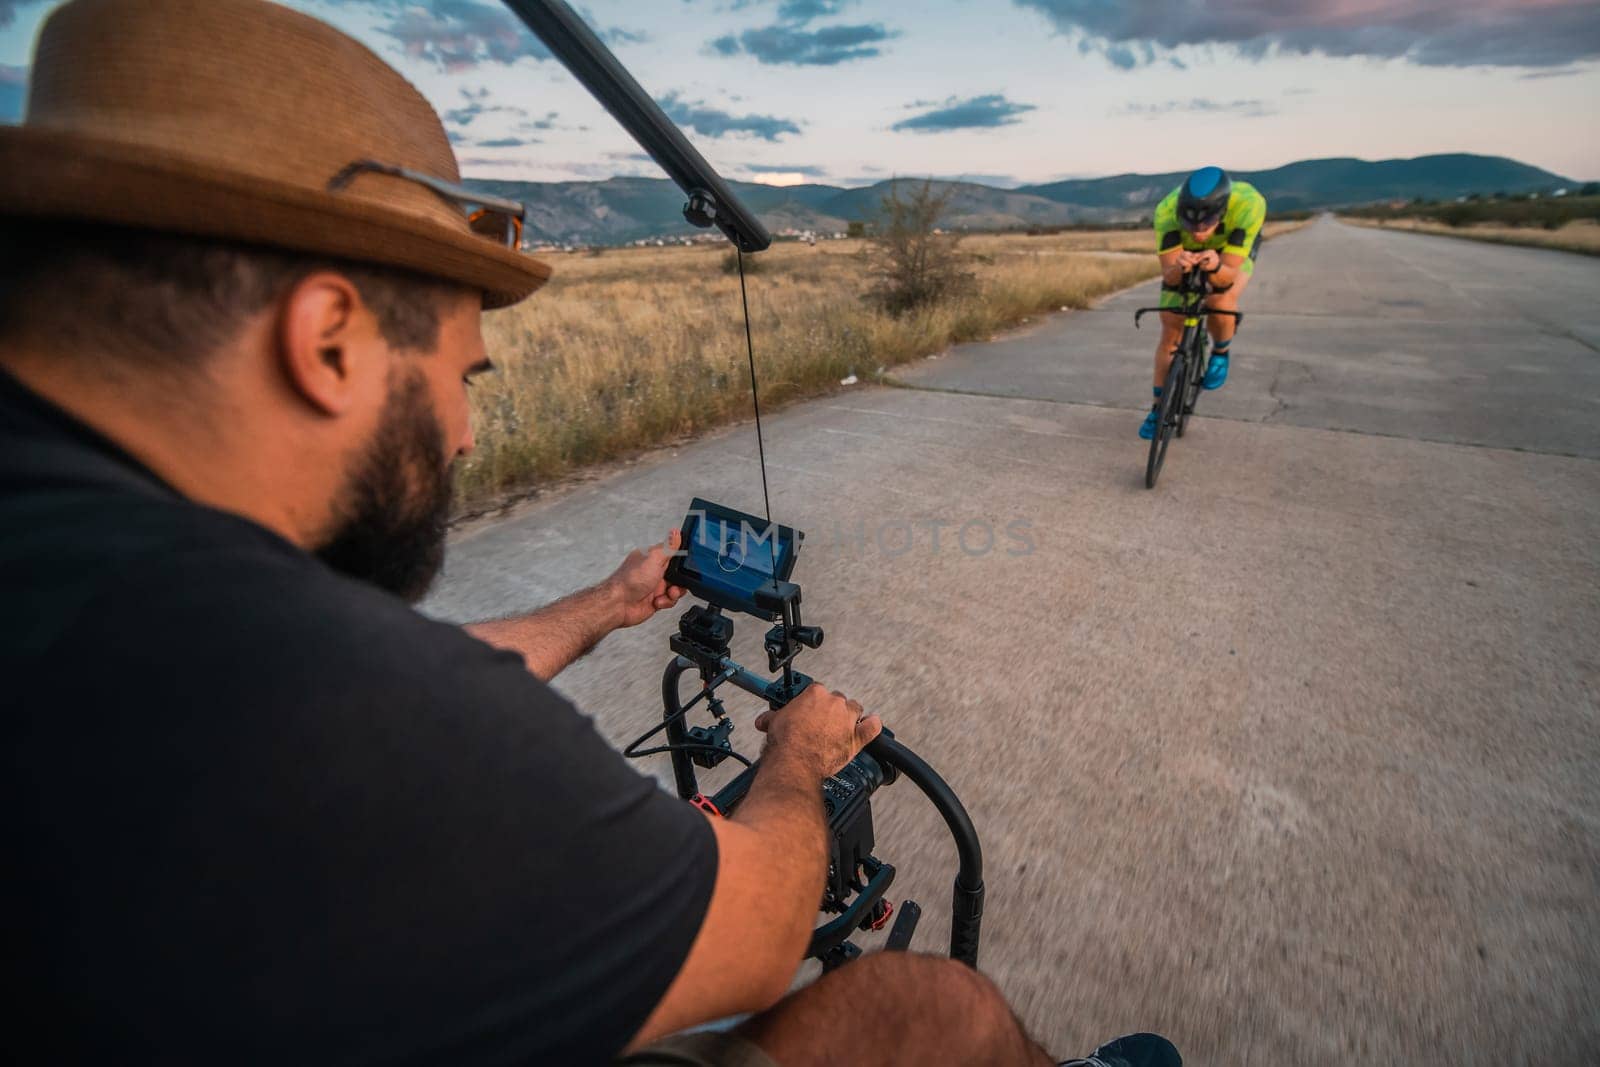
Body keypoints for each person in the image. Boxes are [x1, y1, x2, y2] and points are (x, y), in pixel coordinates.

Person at [0, 1, 1179, 1064]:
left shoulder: (99, 563)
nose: (462, 433)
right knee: (936, 1013)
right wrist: (798, 758)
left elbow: (389, 681)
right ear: (328, 341)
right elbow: (760, 930)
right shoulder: (335, 711)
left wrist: (603, 606)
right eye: (463, 373)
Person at [1139, 167, 1268, 439]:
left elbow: (1226, 278)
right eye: (1189, 224)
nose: (1198, 232)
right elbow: (1170, 277)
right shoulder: (1165, 211)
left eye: (1205, 224)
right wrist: (1179, 268)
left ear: (1220, 214)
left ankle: (1221, 351)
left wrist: (1216, 266)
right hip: (1183, 254)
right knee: (1171, 327)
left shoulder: (1248, 204)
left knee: (1220, 298)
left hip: (1227, 254)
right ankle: (1157, 408)